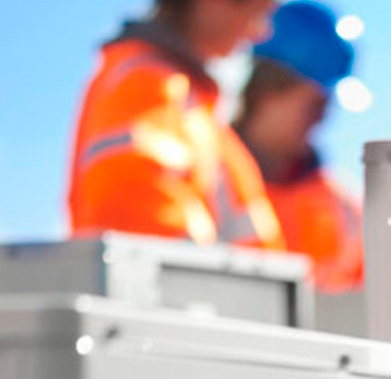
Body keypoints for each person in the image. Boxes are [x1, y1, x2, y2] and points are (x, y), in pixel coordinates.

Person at [68, 0, 284, 250]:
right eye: (257, 12)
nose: (260, 32)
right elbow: (140, 225)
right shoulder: (145, 83)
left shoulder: (197, 107)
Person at [233, 0, 364, 292]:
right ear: (268, 89)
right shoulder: (203, 172)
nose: (323, 119)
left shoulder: (343, 208)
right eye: (315, 104)